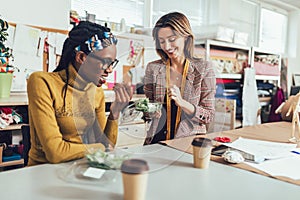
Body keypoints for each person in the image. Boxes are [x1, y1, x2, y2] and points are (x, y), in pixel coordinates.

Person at [27, 21, 132, 166]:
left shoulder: (96, 91)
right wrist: (100, 148)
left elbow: (107, 146)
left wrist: (115, 113)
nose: (109, 70)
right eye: (106, 62)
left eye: (112, 63)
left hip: (78, 168)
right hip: (42, 171)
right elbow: (55, 153)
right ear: (82, 57)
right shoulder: (42, 82)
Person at [144, 12, 216, 144]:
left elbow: (209, 116)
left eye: (172, 40)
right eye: (162, 41)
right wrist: (150, 111)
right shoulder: (153, 68)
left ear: (186, 38)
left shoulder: (204, 69)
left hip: (189, 143)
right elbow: (149, 107)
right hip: (156, 141)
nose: (166, 46)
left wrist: (183, 103)